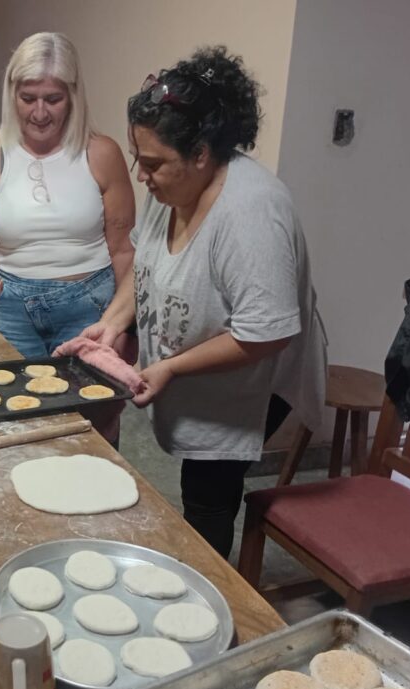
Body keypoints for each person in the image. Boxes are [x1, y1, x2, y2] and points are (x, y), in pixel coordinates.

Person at [65, 47, 327, 558]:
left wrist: (172, 368)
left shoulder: (252, 213)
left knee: (209, 490)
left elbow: (266, 332)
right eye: (139, 158)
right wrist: (110, 322)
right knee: (196, 482)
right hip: (195, 363)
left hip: (251, 384)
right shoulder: (170, 185)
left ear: (202, 153)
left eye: (154, 163)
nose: (142, 174)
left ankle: (207, 592)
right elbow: (143, 264)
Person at [0, 32, 135, 357]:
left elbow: (124, 251)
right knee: (17, 402)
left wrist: (124, 323)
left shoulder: (102, 153)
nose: (40, 113)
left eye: (53, 99)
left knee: (91, 402)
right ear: (11, 94)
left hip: (89, 303)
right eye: (28, 98)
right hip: (10, 305)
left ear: (73, 96)